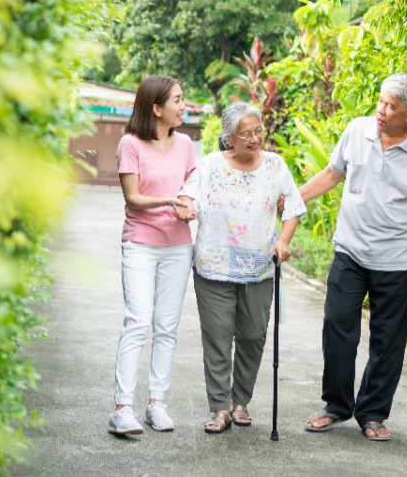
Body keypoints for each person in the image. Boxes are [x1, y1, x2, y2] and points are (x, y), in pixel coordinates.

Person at [300, 73, 407, 441]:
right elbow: (332, 174)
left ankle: (373, 414)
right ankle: (336, 406)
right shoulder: (356, 130)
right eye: (380, 102)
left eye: (391, 107)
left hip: (395, 262)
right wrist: (292, 197)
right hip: (349, 252)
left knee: (388, 341)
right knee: (337, 329)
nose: (381, 111)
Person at [177, 102, 306, 434]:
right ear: (229, 139)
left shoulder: (275, 166)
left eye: (258, 131)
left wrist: (284, 241)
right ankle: (220, 407)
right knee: (218, 338)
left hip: (260, 267)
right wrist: (188, 206)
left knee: (253, 335)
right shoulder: (209, 166)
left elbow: (292, 206)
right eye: (246, 134)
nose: (255, 139)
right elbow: (188, 195)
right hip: (214, 267)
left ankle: (241, 401)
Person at [108, 75, 198, 435]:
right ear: (156, 108)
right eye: (177, 100)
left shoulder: (187, 143)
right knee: (138, 321)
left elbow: (193, 183)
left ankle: (156, 403)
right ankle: (122, 408)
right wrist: (169, 200)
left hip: (178, 245)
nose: (183, 105)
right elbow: (133, 197)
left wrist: (188, 201)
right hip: (141, 244)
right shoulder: (130, 144)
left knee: (167, 326)